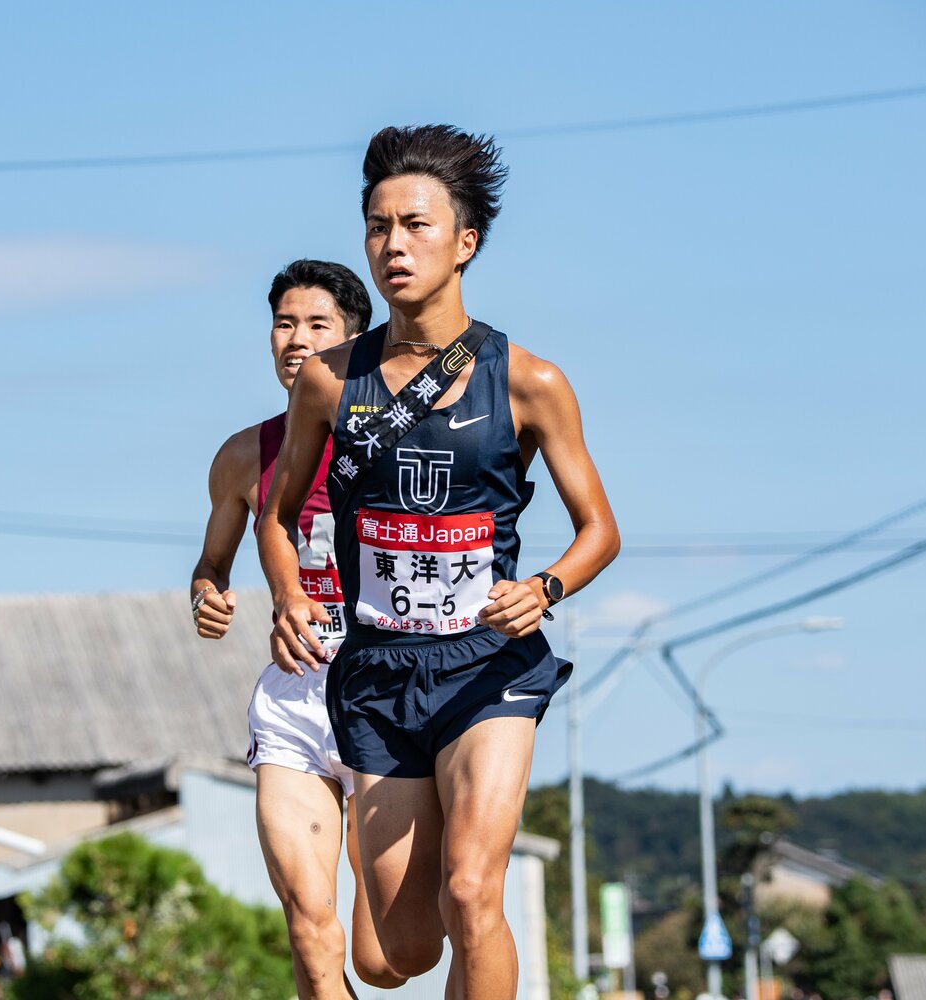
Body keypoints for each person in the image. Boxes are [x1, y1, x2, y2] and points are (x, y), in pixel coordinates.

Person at [258, 125, 620, 999]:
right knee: (402, 954)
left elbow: (599, 529)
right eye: (378, 227)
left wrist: (545, 587)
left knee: (472, 889)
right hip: (378, 670)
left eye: (415, 225)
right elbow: (277, 514)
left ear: (465, 243)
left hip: (486, 668)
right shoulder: (330, 383)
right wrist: (285, 597)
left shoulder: (530, 381)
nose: (392, 245)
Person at [191, 259, 403, 998]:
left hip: (389, 693)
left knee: (384, 958)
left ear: (355, 340)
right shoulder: (246, 454)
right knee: (310, 926)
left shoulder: (393, 442)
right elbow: (211, 564)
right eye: (285, 324)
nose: (296, 340)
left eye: (318, 326)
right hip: (295, 697)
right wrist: (208, 597)